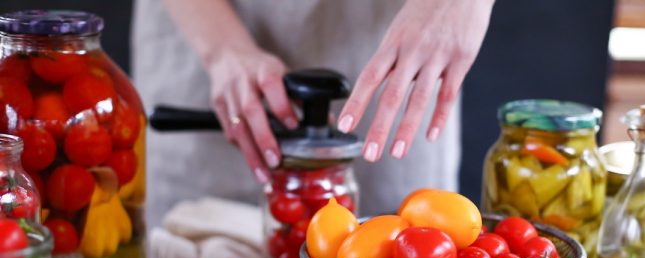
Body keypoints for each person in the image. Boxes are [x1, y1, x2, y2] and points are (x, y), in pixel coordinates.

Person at [131, 0, 495, 230]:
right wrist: (222, 51)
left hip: (400, 36)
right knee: (188, 246)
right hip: (204, 27)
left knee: (400, 240)